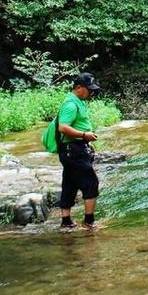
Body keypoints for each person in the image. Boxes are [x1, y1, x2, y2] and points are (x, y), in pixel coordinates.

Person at [57, 72, 101, 230]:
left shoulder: (78, 101)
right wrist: (84, 135)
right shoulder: (70, 104)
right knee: (91, 183)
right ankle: (89, 222)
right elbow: (63, 128)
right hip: (73, 151)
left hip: (73, 149)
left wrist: (86, 143)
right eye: (89, 89)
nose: (91, 92)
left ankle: (66, 222)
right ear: (79, 87)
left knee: (70, 183)